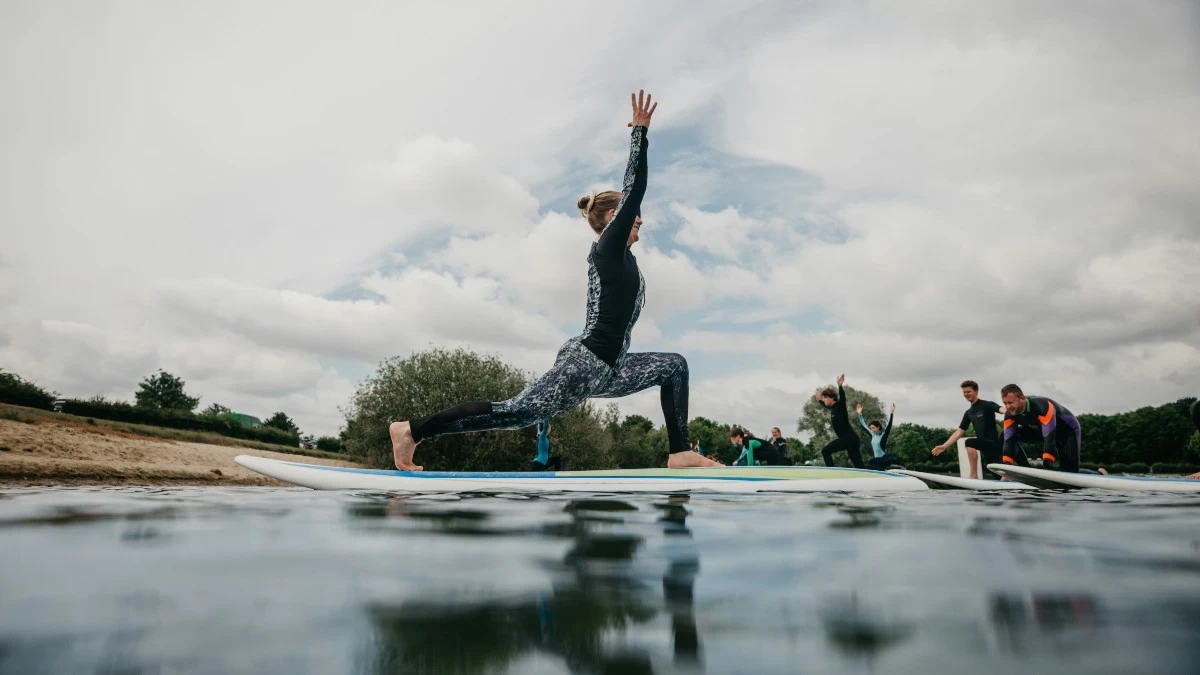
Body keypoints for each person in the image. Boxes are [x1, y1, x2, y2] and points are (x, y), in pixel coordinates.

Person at [386, 91, 722, 471]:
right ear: (615, 216)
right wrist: (639, 134)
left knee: (673, 366)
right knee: (516, 413)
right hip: (587, 361)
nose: (641, 219)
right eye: (633, 214)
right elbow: (635, 188)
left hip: (611, 366)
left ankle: (679, 452)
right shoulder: (607, 248)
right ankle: (411, 431)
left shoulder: (625, 258)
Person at [931, 380, 1026, 479]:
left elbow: (1001, 409)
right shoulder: (969, 413)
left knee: (969, 442)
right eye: (964, 392)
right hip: (985, 448)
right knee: (997, 476)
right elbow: (959, 431)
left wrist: (1010, 410)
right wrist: (944, 446)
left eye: (968, 391)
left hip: (994, 444)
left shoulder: (986, 405)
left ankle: (973, 475)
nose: (966, 394)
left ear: (976, 391)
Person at [1000, 384, 1082, 473]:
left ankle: (1098, 473)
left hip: (1068, 432)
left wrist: (1046, 468)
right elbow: (1008, 440)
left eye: (1010, 402)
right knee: (1003, 435)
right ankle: (1026, 469)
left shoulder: (1043, 406)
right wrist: (1007, 469)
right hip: (1042, 432)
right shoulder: (1009, 414)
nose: (1008, 407)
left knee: (1070, 472)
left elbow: (1049, 439)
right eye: (1005, 403)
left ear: (1022, 398)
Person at [816, 374, 866, 469]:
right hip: (852, 440)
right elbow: (826, 405)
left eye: (825, 397)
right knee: (860, 467)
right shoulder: (833, 408)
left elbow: (842, 397)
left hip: (849, 439)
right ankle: (882, 472)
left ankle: (831, 472)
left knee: (825, 451)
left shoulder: (840, 406)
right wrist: (819, 401)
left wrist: (840, 386)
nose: (824, 399)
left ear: (831, 397)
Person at [857, 403, 895, 471]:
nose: (872, 430)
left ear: (878, 427)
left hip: (884, 459)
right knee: (873, 465)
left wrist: (891, 413)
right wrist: (860, 414)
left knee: (871, 462)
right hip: (877, 461)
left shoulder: (883, 435)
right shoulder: (873, 435)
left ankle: (882, 471)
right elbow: (864, 426)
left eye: (873, 428)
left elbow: (889, 426)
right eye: (871, 428)